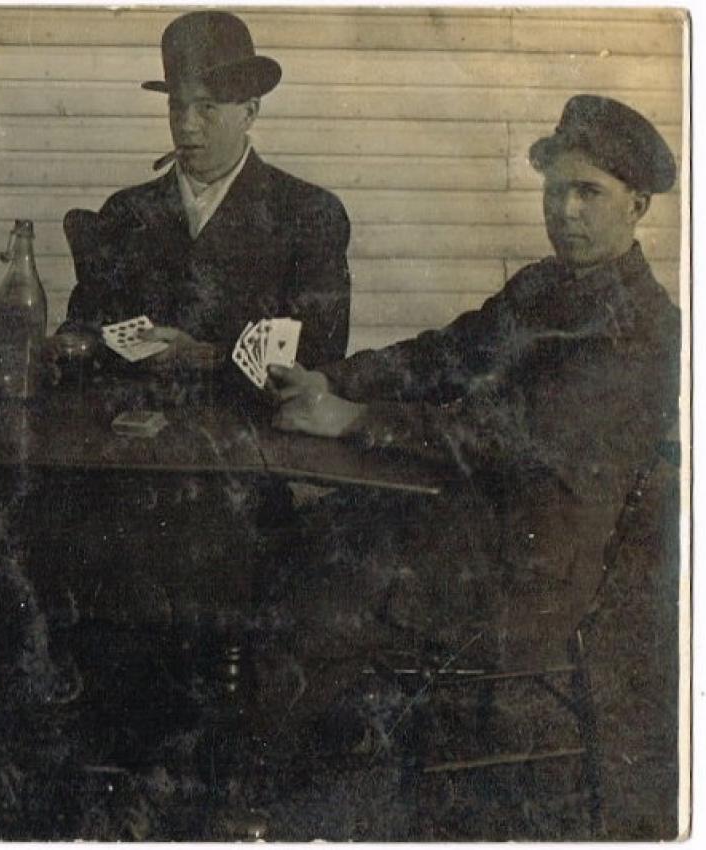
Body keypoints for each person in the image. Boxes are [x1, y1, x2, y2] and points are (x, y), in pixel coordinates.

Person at [260, 94, 680, 745]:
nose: (564, 211)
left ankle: (281, 760)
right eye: (556, 190)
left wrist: (352, 419)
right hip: (480, 516)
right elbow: (446, 355)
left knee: (320, 566)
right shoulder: (544, 286)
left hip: (532, 572)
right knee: (308, 534)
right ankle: (308, 731)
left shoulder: (645, 328)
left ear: (638, 205)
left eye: (589, 193)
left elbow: (509, 436)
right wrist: (332, 379)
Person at [60, 10, 351, 374]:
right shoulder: (125, 211)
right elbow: (83, 333)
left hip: (256, 427)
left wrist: (206, 358)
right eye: (177, 106)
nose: (187, 125)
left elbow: (322, 358)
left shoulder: (310, 215)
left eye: (207, 107)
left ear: (249, 112)